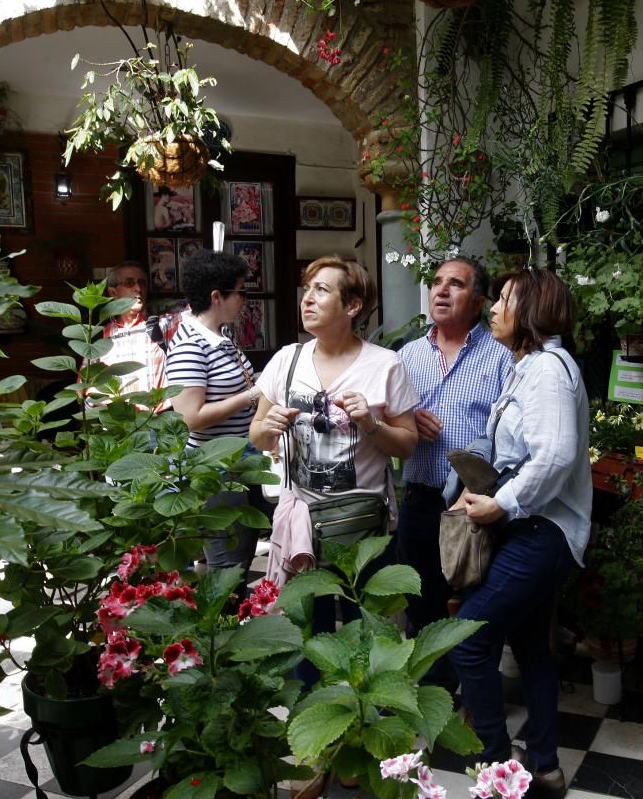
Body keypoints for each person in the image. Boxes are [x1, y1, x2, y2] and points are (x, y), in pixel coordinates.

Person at [448, 268, 591, 796]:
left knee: (469, 639)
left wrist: (502, 502)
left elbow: (555, 455)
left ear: (529, 309)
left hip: (543, 531)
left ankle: (496, 766)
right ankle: (546, 766)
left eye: (503, 299)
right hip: (527, 526)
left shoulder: (549, 369)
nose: (492, 307)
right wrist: (476, 492)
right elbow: (519, 454)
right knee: (530, 648)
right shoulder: (527, 367)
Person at [249, 256, 418, 669]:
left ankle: (366, 714)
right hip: (302, 522)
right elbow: (257, 435)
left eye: (322, 290)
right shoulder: (286, 361)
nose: (308, 299)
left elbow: (408, 444)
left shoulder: (384, 365)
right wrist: (268, 426)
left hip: (361, 528)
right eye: (307, 289)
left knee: (368, 631)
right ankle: (321, 721)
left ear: (353, 306)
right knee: (310, 633)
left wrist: (371, 424)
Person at [396, 258, 511, 693]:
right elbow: (389, 419)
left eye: (456, 284)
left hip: (473, 505)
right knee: (422, 604)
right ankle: (432, 696)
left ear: (479, 301)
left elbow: (508, 434)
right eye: (438, 283)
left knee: (476, 607)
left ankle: (478, 698)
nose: (441, 291)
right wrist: (405, 418)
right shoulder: (407, 355)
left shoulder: (499, 357)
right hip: (422, 497)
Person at [165, 249, 265, 585]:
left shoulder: (219, 338)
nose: (244, 299)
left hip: (239, 459)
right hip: (214, 469)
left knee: (241, 553)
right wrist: (251, 395)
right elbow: (190, 418)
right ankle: (220, 631)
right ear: (216, 296)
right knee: (227, 564)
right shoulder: (190, 345)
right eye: (240, 291)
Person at [99, 260, 181, 412]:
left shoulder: (163, 326)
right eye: (129, 283)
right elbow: (86, 388)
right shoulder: (101, 337)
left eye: (142, 283)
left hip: (158, 423)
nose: (138, 288)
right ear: (113, 293)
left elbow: (198, 312)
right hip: (119, 426)